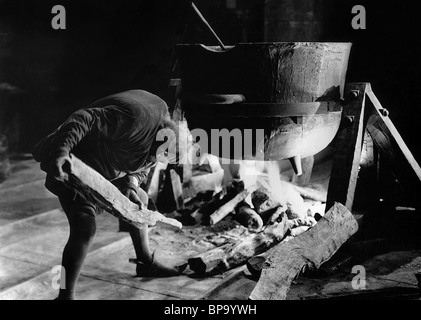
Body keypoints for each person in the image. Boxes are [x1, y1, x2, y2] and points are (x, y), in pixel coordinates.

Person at [32, 90, 189, 300]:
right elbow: (85, 117)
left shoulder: (163, 136)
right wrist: (62, 151)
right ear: (155, 141)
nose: (156, 160)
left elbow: (145, 166)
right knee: (84, 227)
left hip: (113, 164)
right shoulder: (135, 122)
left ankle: (146, 263)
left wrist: (131, 186)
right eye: (158, 155)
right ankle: (65, 295)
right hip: (77, 161)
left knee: (139, 203)